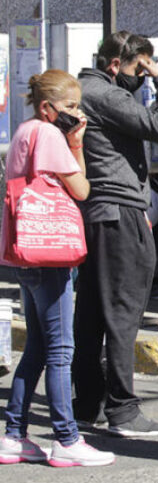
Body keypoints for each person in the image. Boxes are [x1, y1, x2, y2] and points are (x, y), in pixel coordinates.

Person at [1, 71, 115, 467]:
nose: (75, 112)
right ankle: (66, 438)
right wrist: (77, 143)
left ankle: (14, 434)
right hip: (51, 253)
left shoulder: (23, 131)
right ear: (47, 107)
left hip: (26, 250)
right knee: (61, 349)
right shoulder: (50, 136)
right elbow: (81, 188)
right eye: (68, 106)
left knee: (35, 347)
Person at [73, 32, 158, 437]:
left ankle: (88, 404)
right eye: (139, 69)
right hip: (119, 212)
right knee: (122, 312)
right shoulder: (106, 94)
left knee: (94, 312)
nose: (143, 77)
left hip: (100, 212)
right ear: (116, 64)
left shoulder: (85, 89)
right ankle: (123, 411)